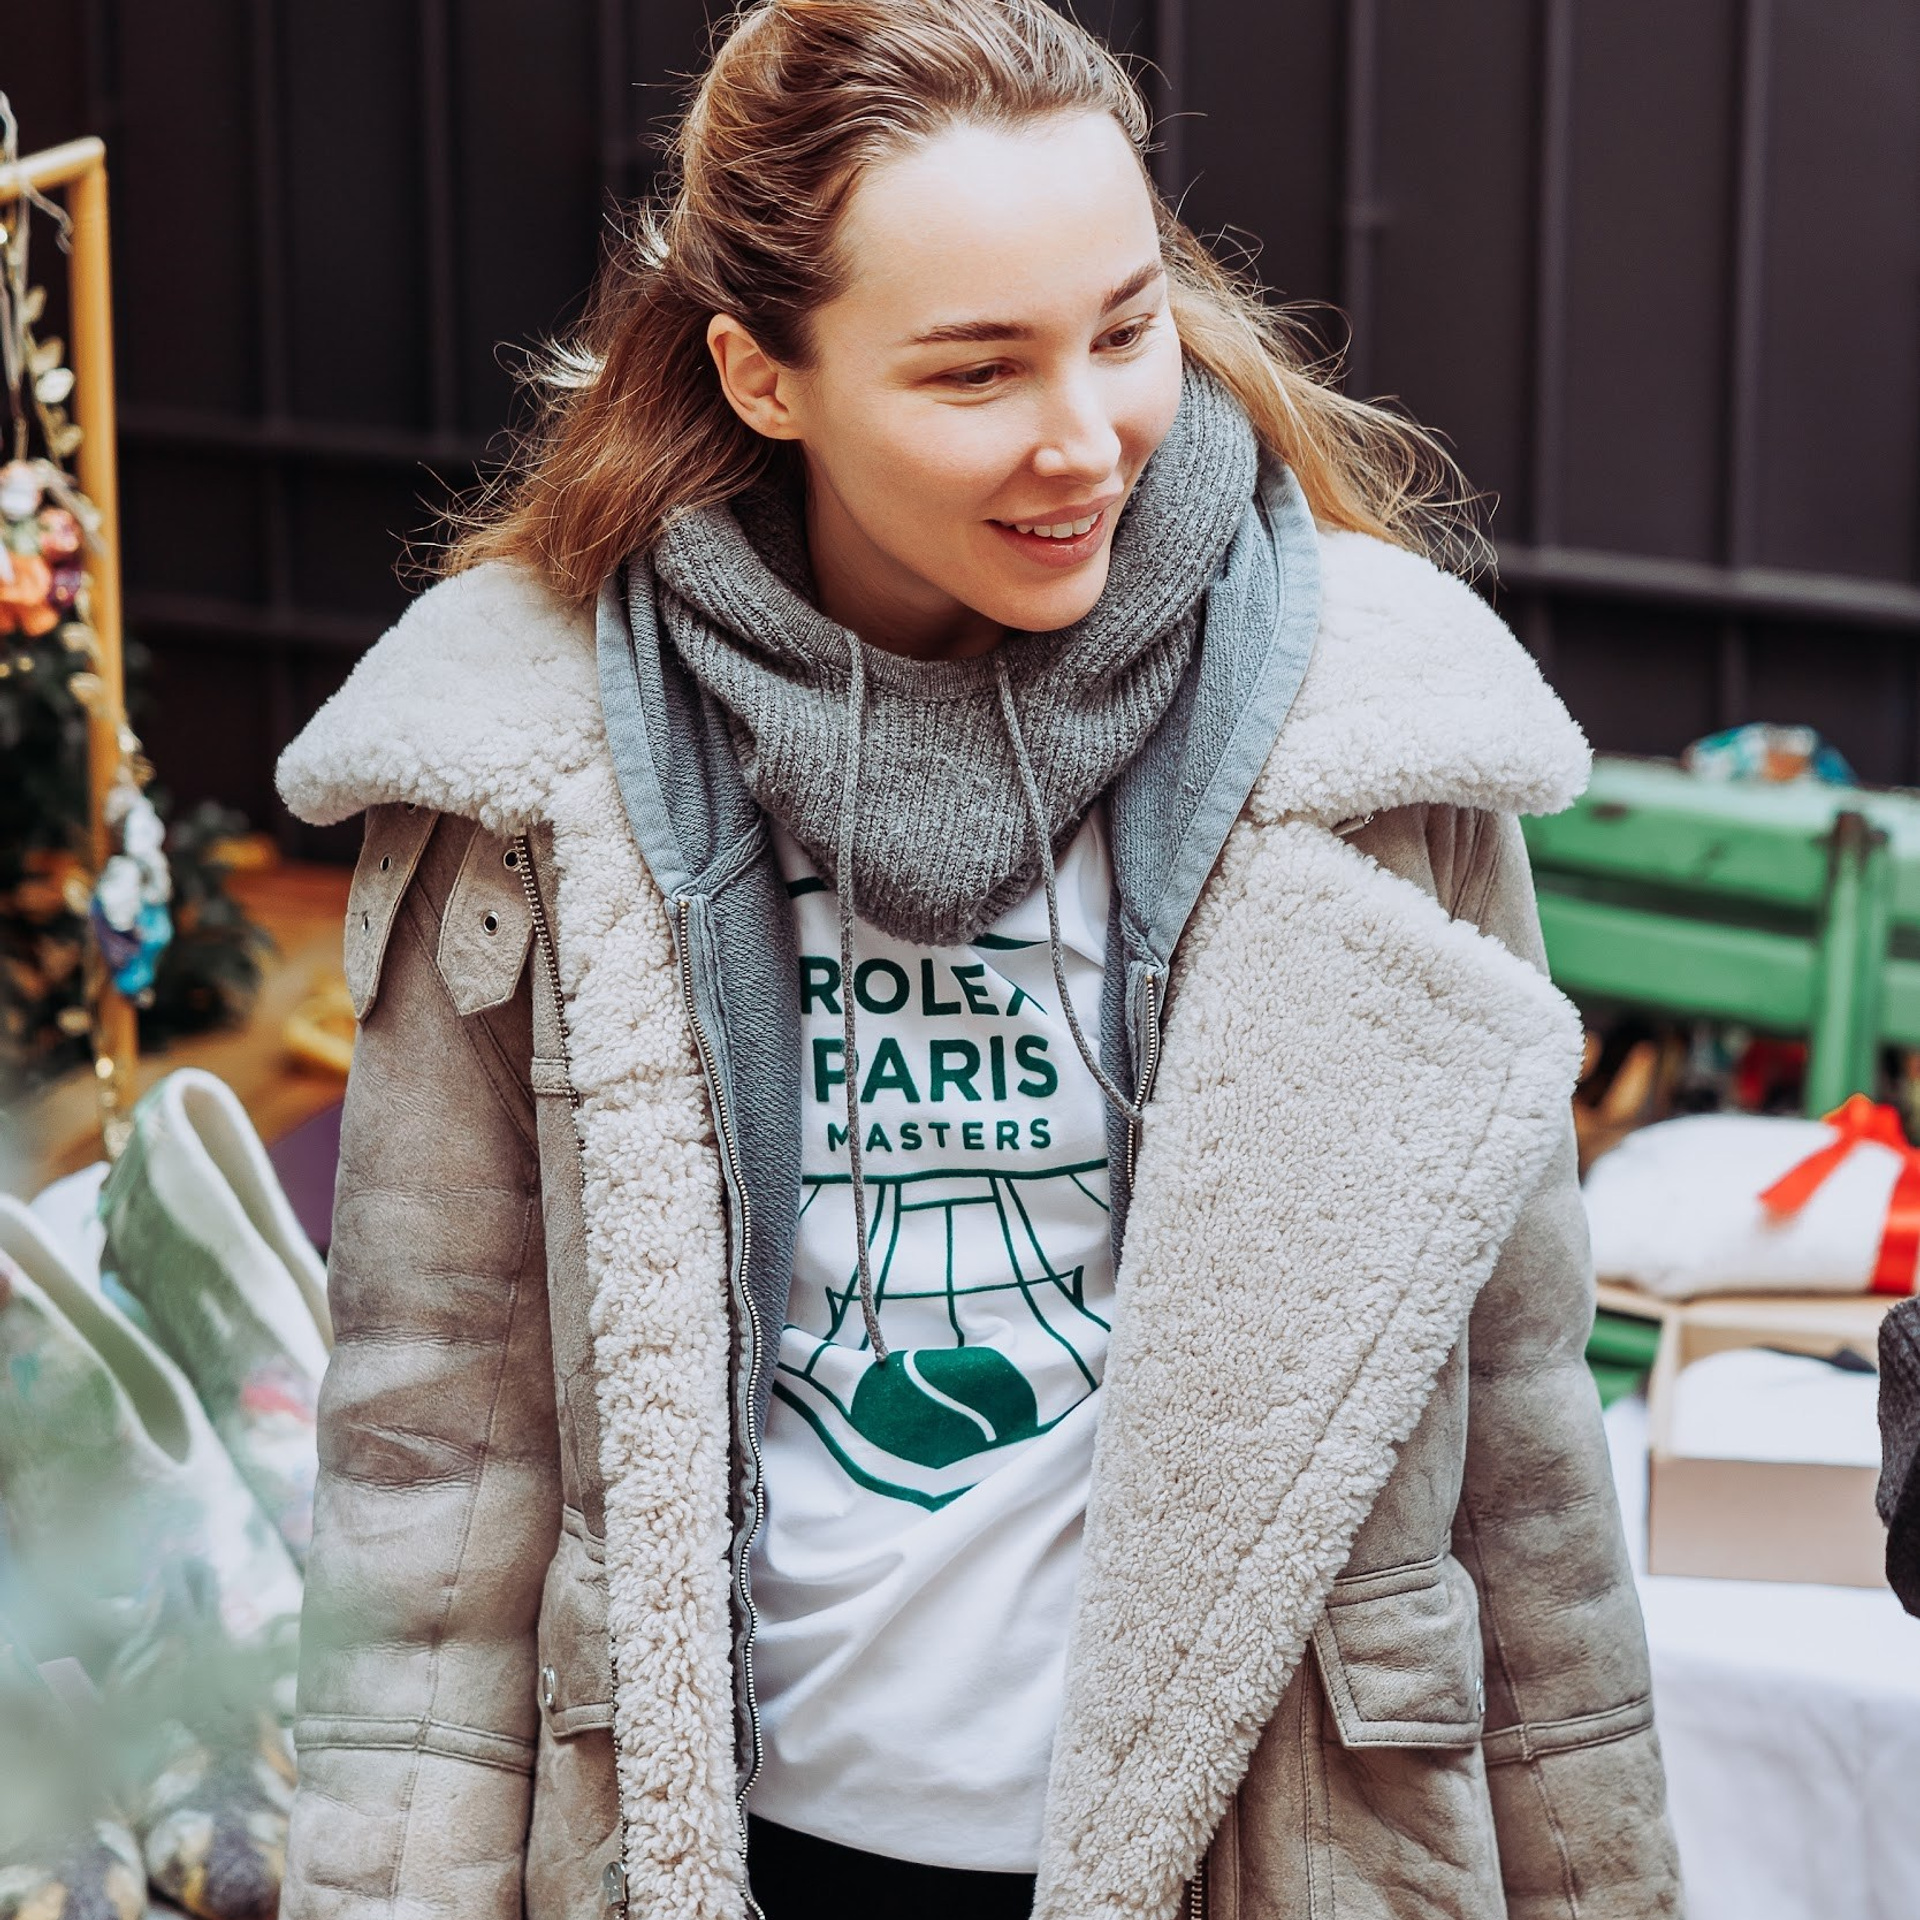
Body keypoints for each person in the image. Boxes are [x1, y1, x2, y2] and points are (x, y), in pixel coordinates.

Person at [275, 2, 1681, 1914]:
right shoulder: (534, 774)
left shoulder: (1370, 745)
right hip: (739, 1852)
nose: (1083, 437)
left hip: (1257, 1841)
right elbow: (431, 1465)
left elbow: (1521, 1449)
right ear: (767, 378)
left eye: (1124, 328)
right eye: (973, 373)